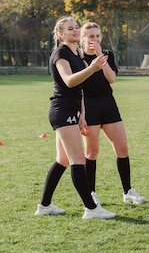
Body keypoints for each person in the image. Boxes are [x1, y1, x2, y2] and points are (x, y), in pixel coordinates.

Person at [35, 16, 116, 219]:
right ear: (61, 34)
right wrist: (92, 68)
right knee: (77, 159)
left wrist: (82, 114)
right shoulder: (60, 52)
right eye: (70, 28)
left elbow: (79, 90)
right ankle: (91, 208)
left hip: (72, 111)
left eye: (76, 27)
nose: (75, 30)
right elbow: (70, 81)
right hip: (61, 110)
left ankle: (44, 205)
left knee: (62, 160)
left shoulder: (76, 53)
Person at [78, 22, 146, 206]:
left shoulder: (107, 55)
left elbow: (112, 79)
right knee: (92, 152)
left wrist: (101, 55)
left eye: (97, 36)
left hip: (108, 104)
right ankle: (91, 193)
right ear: (83, 38)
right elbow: (78, 87)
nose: (94, 39)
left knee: (122, 148)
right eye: (90, 36)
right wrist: (81, 113)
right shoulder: (77, 57)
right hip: (88, 105)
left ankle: (128, 191)